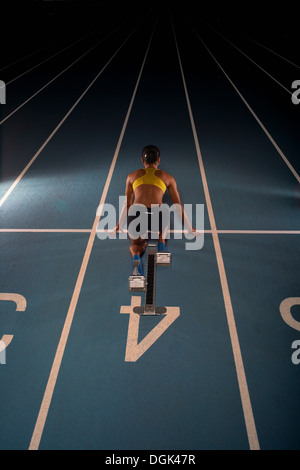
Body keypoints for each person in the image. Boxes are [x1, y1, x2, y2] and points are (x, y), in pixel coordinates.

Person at [114, 145, 197, 279]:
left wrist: (119, 224)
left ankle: (136, 258)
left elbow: (127, 204)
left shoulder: (131, 176)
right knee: (163, 208)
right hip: (156, 217)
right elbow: (177, 205)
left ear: (142, 160)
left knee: (137, 244)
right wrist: (188, 226)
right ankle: (161, 244)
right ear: (158, 160)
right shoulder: (168, 177)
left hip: (136, 214)